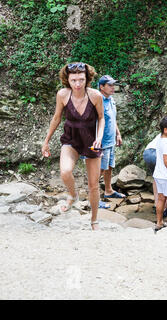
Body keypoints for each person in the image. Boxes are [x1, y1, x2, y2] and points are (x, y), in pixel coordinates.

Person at [41, 62, 105, 230]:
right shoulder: (62, 95)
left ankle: (94, 220)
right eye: (74, 80)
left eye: (81, 80)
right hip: (71, 139)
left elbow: (101, 118)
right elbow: (56, 118)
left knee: (93, 185)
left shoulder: (96, 95)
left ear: (87, 79)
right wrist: (46, 141)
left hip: (91, 141)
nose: (77, 84)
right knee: (65, 171)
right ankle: (73, 194)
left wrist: (99, 137)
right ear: (67, 80)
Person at [98, 75, 125, 205]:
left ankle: (108, 190)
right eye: (110, 85)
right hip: (101, 142)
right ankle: (94, 197)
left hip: (111, 140)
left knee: (109, 166)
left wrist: (118, 134)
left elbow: (113, 119)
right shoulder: (98, 101)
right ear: (101, 87)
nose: (113, 87)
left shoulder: (111, 99)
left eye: (113, 85)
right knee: (99, 169)